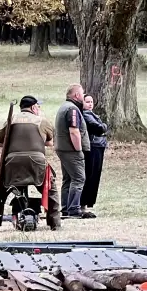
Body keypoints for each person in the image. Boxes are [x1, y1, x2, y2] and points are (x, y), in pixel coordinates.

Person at [0, 95, 59, 230]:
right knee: (51, 190)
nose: (39, 109)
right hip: (36, 163)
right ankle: (54, 223)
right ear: (33, 107)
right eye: (38, 106)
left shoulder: (11, 120)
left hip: (12, 163)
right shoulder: (42, 120)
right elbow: (50, 142)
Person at [54, 83, 91, 217]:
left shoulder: (63, 107)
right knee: (79, 178)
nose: (83, 95)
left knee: (68, 179)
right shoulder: (72, 109)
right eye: (82, 93)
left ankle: (66, 208)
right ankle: (74, 209)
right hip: (71, 150)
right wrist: (78, 149)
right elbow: (74, 131)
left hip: (62, 148)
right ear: (76, 95)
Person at [80, 95, 109, 217]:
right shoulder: (86, 114)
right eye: (87, 102)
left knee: (93, 175)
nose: (90, 104)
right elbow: (99, 127)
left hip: (98, 145)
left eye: (91, 102)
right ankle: (83, 203)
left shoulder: (91, 114)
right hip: (93, 146)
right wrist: (104, 127)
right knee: (90, 175)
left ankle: (86, 203)